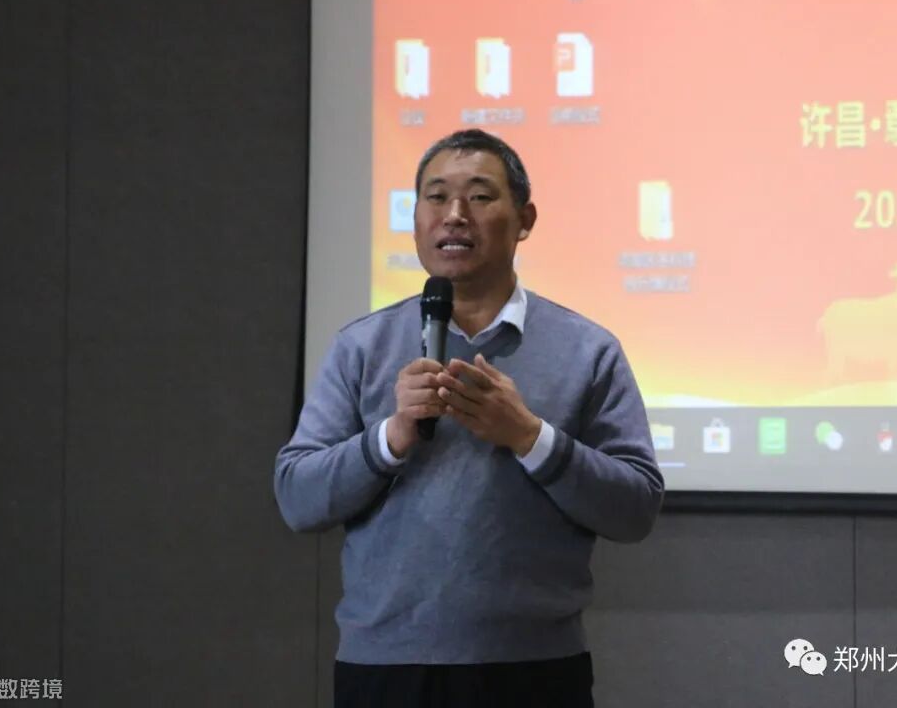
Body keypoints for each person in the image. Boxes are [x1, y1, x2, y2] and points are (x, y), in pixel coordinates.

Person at [275, 129, 663, 708]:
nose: (454, 215)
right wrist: (390, 437)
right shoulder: (361, 346)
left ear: (525, 219)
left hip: (534, 669)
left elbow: (635, 508)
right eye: (436, 197)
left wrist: (530, 437)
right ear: (415, 220)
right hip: (386, 667)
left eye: (480, 196)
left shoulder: (588, 350)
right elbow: (297, 498)